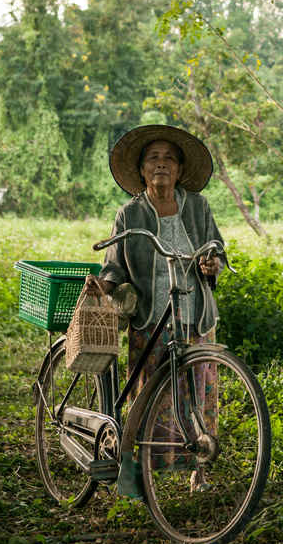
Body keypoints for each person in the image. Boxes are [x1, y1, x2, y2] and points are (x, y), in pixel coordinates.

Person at [83, 124, 224, 495]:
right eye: (153, 158)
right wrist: (103, 285)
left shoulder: (197, 206)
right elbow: (114, 265)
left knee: (198, 392)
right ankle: (140, 468)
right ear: (142, 170)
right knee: (150, 394)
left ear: (179, 170)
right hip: (152, 317)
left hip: (194, 314)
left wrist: (212, 263)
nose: (161, 164)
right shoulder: (129, 214)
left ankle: (199, 471)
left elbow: (215, 248)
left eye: (169, 159)